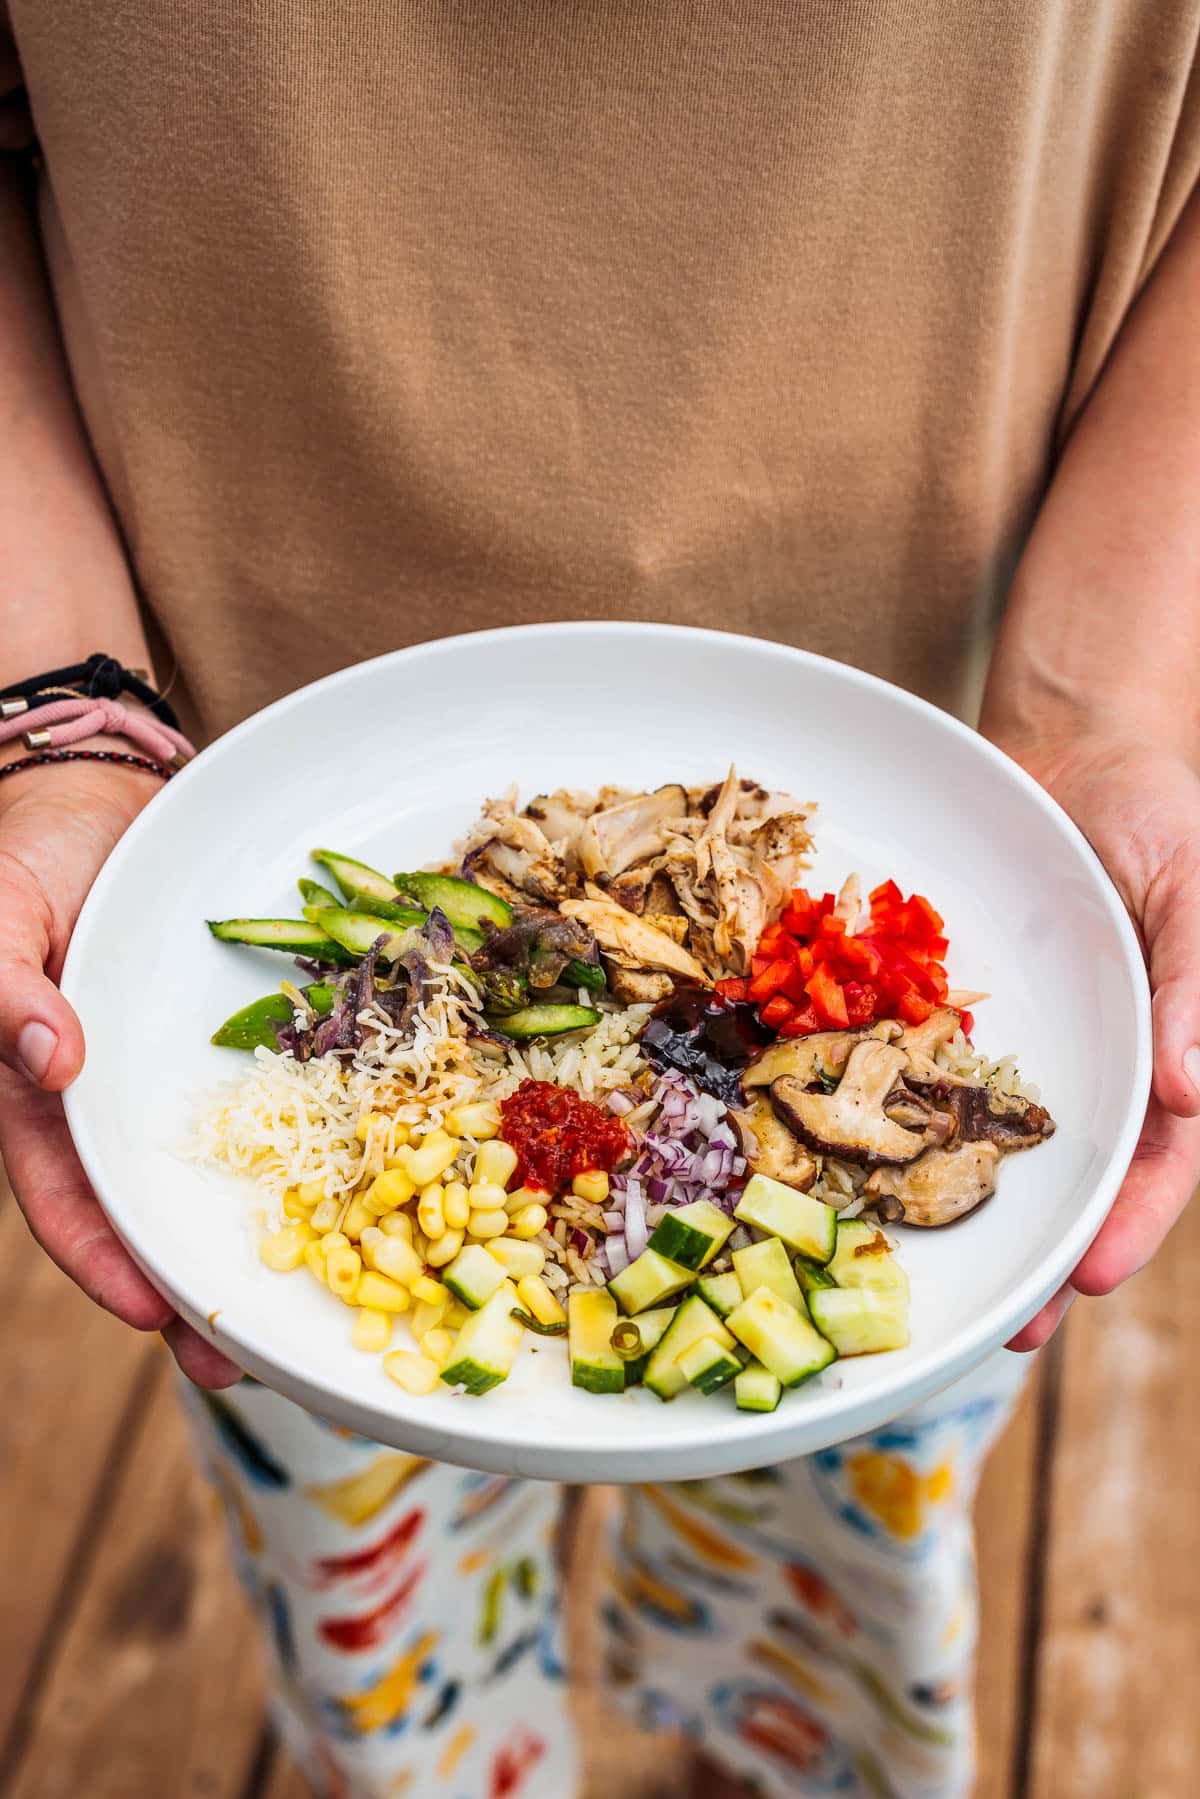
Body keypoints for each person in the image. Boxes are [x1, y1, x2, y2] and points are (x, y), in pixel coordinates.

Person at [3, 6, 1199, 1794]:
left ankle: (775, 1736)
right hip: (226, 759)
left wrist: (1108, 707)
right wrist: (59, 721)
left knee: (847, 1545)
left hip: (961, 768)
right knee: (367, 1591)